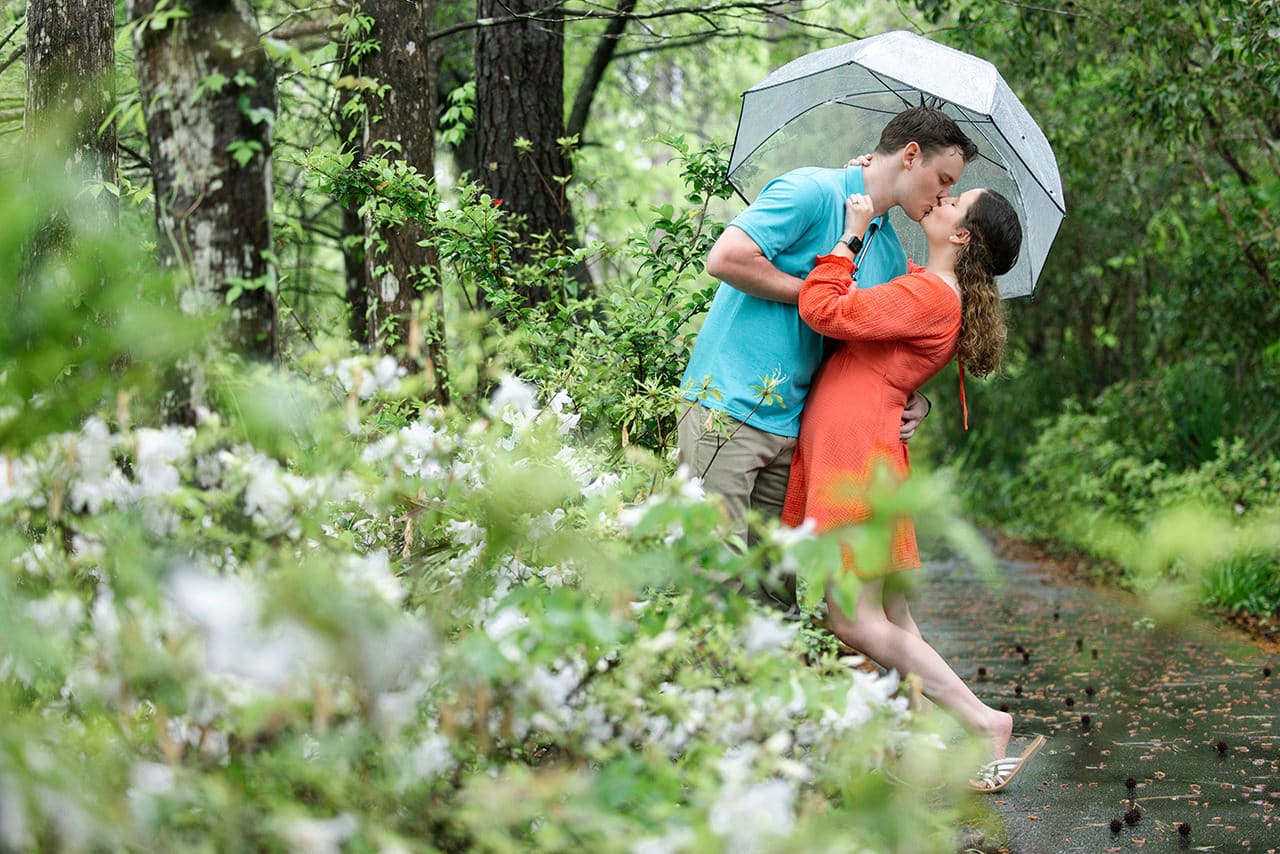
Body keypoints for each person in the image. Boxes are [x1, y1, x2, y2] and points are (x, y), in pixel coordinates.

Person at [781, 187, 1043, 793]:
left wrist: (851, 233)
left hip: (855, 452)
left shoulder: (931, 293)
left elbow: (823, 309)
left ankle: (983, 720)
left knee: (852, 618)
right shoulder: (931, 287)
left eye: (956, 201)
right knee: (892, 613)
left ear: (963, 235)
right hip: (862, 443)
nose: (942, 197)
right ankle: (923, 742)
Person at [678, 107, 978, 608]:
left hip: (792, 429)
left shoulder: (887, 250)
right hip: (727, 407)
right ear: (910, 156)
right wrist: (817, 297)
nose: (944, 196)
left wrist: (913, 395)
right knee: (715, 586)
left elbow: (870, 341)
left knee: (774, 600)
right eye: (943, 180)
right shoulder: (812, 191)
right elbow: (725, 258)